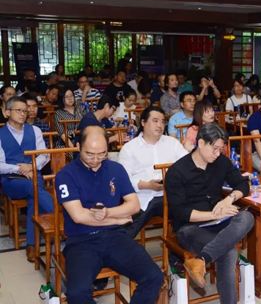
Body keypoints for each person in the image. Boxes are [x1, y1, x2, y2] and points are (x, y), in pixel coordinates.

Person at [55, 126, 163, 303]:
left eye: (102, 154)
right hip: (81, 241)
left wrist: (108, 213)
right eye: (89, 154)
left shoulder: (115, 169)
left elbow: (134, 205)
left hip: (115, 237)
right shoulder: (66, 175)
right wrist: (118, 219)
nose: (96, 159)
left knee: (153, 276)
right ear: (78, 147)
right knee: (77, 293)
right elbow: (79, 217)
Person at [165, 123, 254, 299]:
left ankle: (201, 260)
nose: (217, 154)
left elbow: (242, 184)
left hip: (218, 222)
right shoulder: (177, 171)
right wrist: (213, 214)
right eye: (214, 149)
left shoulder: (220, 162)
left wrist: (229, 199)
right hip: (190, 227)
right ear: (200, 143)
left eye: (221, 149)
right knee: (228, 252)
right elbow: (179, 212)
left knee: (247, 217)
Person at [119, 107, 188, 239]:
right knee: (125, 230)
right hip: (142, 197)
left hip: (169, 196)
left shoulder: (172, 143)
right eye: (155, 121)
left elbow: (187, 166)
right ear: (143, 123)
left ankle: (177, 254)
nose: (160, 125)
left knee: (189, 213)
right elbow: (124, 180)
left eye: (162, 122)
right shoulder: (129, 148)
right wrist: (147, 185)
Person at [0, 97, 52, 262]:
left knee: (33, 198)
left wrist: (33, 166)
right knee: (35, 188)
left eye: (25, 111)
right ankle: (63, 219)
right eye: (18, 110)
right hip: (11, 179)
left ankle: (31, 245)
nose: (23, 114)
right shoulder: (0, 134)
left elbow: (44, 155)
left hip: (34, 175)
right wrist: (20, 169)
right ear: (7, 112)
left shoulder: (34, 130)